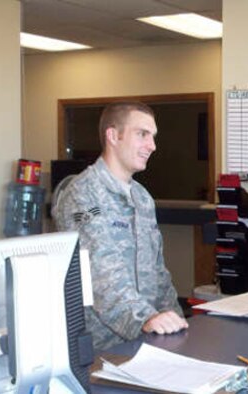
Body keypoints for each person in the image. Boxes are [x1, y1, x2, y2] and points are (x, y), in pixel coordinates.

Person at [53, 102, 188, 351]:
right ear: (113, 136)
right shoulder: (82, 195)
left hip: (147, 340)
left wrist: (178, 324)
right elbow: (101, 275)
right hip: (104, 349)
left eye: (153, 137)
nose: (152, 145)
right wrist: (145, 318)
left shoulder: (142, 197)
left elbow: (158, 273)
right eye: (142, 134)